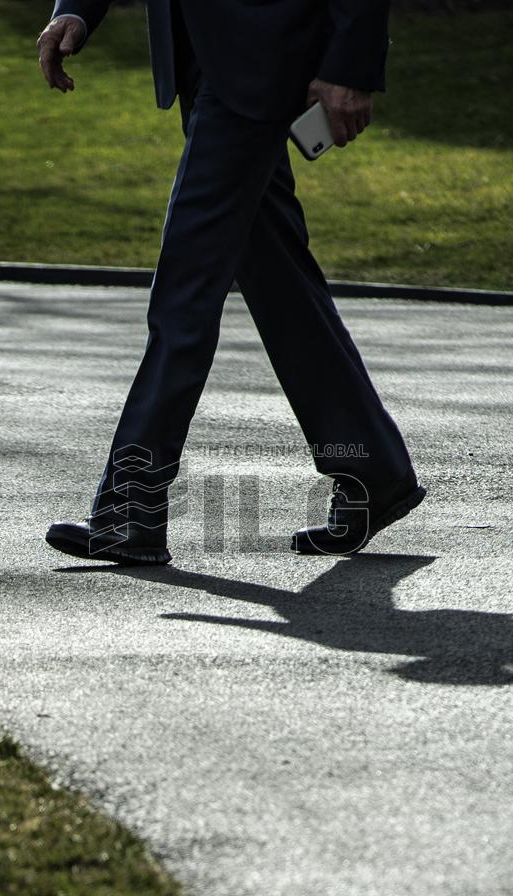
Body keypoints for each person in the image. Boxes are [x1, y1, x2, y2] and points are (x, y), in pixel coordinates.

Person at [38, 0, 425, 566]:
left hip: (264, 62)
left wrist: (352, 63)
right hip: (206, 62)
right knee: (279, 281)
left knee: (185, 287)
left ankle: (131, 507)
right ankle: (373, 467)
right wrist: (76, 8)